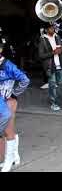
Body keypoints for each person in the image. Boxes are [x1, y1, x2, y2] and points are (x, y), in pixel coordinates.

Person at [0, 42, 30, 172]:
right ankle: (15, 156)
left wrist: (13, 94)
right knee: (8, 129)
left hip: (8, 101)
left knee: (8, 130)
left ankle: (8, 160)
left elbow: (25, 80)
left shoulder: (8, 65)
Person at [38, 23, 62, 112]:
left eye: (53, 28)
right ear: (46, 30)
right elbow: (41, 55)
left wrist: (61, 50)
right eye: (50, 28)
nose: (52, 29)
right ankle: (53, 103)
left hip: (60, 64)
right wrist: (53, 52)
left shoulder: (57, 36)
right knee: (52, 85)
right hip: (50, 66)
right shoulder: (42, 39)